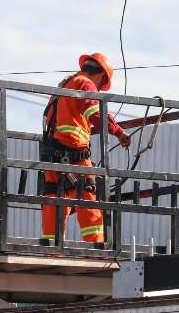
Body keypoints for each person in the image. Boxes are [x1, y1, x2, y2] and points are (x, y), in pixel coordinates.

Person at [40, 52, 131, 243]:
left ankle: (52, 249)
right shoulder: (85, 84)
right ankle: (96, 250)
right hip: (73, 155)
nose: (98, 90)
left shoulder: (64, 85)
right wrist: (119, 132)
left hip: (51, 155)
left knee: (53, 200)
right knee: (88, 201)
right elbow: (97, 115)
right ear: (100, 76)